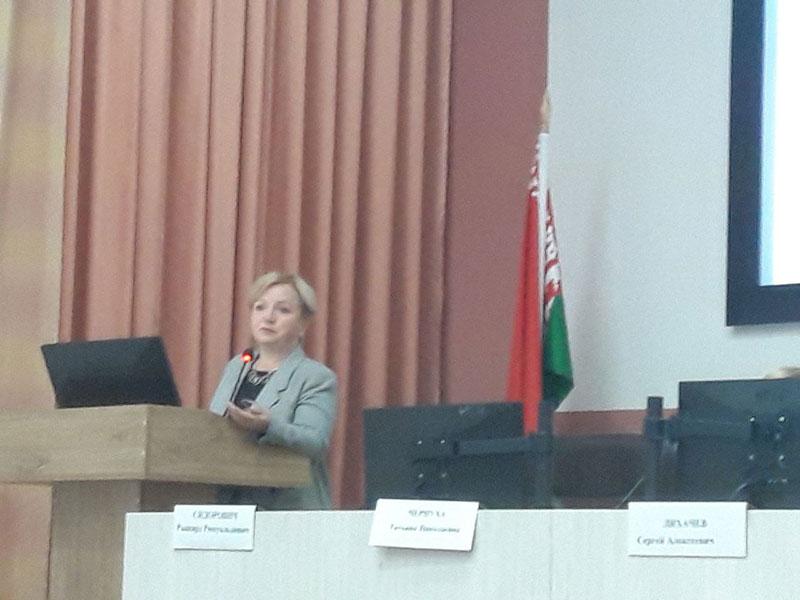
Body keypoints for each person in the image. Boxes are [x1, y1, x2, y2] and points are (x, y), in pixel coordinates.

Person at [209, 271, 337, 509]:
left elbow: (315, 442)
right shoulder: (236, 367)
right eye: (260, 307)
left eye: (283, 310)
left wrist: (268, 426)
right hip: (227, 505)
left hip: (286, 507)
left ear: (303, 324)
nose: (268, 317)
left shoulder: (315, 377)